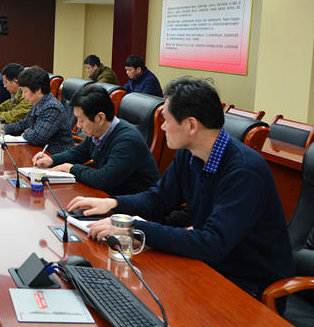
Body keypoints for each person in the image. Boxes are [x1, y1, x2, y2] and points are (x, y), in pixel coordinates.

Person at [67, 77, 295, 301]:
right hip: (209, 266)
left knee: (144, 298)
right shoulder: (189, 153)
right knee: (125, 289)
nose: (162, 126)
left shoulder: (244, 171)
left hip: (250, 286)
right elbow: (158, 200)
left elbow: (213, 243)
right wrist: (113, 203)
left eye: (166, 120)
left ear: (191, 125)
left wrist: (132, 228)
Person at [32, 84, 159, 196]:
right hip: (110, 197)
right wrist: (52, 160)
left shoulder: (127, 140)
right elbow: (77, 153)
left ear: (100, 118)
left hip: (133, 206)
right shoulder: (98, 132)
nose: (78, 125)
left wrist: (72, 168)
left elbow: (104, 180)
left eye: (81, 120)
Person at [0, 66, 74, 153]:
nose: (23, 95)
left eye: (25, 91)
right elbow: (23, 124)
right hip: (40, 152)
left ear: (38, 89)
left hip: (55, 156)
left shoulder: (52, 107)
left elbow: (38, 137)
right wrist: (1, 128)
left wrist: (26, 133)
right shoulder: (38, 103)